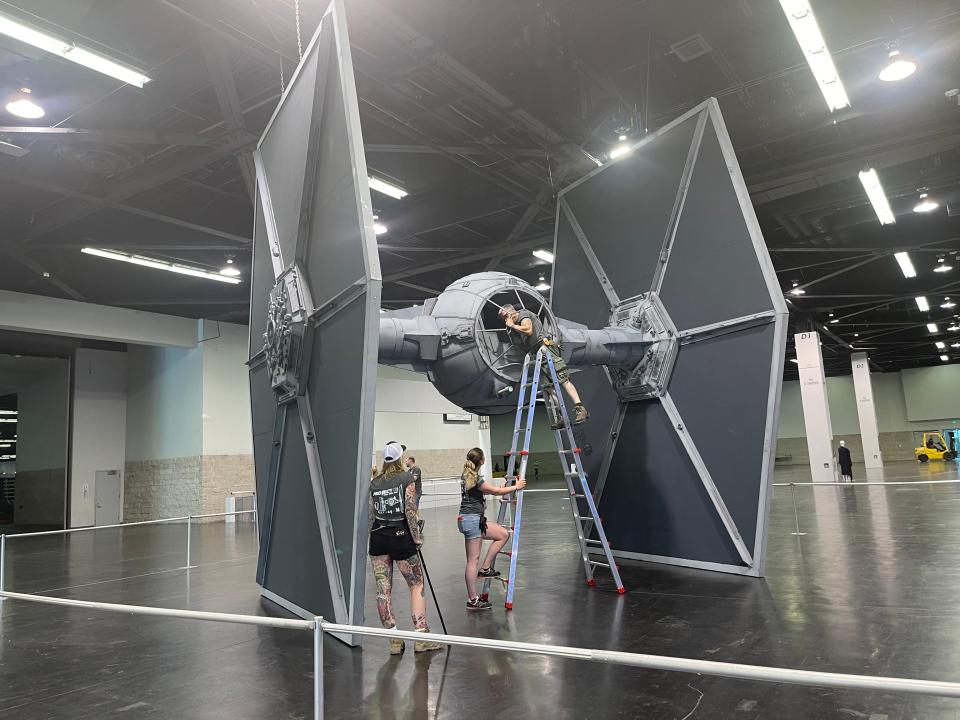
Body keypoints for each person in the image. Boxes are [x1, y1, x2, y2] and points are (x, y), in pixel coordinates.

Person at [368, 441, 443, 655]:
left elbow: (371, 516)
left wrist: (371, 538)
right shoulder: (407, 479)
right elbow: (410, 511)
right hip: (401, 538)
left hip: (378, 539)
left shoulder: (375, 483)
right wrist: (417, 538)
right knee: (416, 584)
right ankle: (421, 637)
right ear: (401, 458)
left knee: (383, 589)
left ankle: (393, 639)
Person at [457, 447, 526, 610]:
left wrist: (506, 485)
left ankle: (486, 568)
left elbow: (491, 490)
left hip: (472, 520)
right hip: (472, 520)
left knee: (502, 534)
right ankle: (472, 599)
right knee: (472, 560)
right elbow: (494, 491)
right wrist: (517, 486)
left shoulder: (468, 475)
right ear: (482, 460)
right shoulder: (474, 478)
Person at [499, 303, 588, 427]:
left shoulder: (523, 315)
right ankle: (561, 417)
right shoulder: (517, 326)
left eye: (505, 316)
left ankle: (580, 409)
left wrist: (512, 325)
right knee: (548, 388)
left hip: (545, 348)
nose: (505, 320)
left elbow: (529, 330)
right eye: (503, 319)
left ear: (511, 312)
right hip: (538, 353)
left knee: (563, 379)